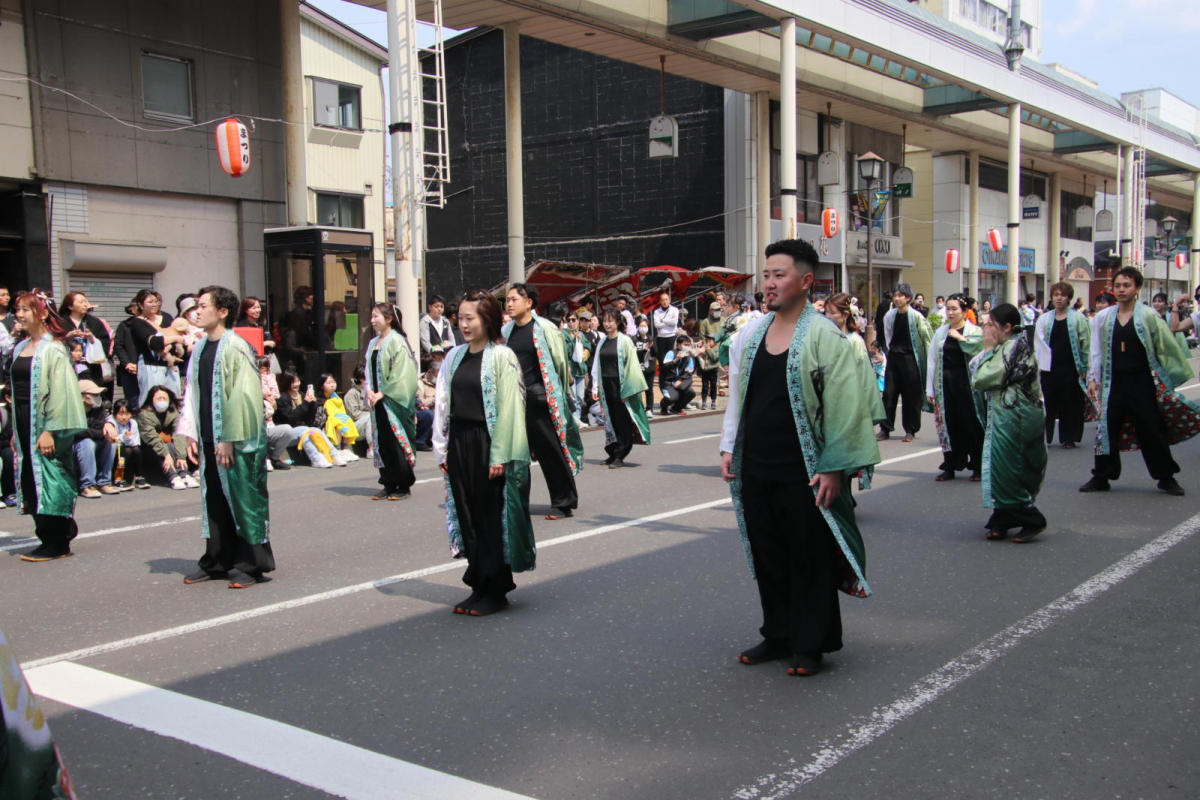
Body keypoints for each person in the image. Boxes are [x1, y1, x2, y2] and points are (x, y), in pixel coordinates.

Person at [720, 240, 880, 677]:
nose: (769, 283)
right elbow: (738, 397)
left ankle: (811, 644)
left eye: (779, 275)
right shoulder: (751, 334)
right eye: (766, 274)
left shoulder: (826, 337)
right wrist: (729, 446)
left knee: (808, 555)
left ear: (806, 281)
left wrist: (833, 467)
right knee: (768, 552)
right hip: (758, 464)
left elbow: (846, 408)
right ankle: (779, 634)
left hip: (806, 469)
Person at [433, 290, 534, 616]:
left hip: (488, 443)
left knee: (492, 518)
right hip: (460, 441)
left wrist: (500, 454)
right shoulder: (455, 356)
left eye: (470, 317)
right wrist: (442, 449)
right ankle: (478, 584)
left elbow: (510, 409)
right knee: (468, 515)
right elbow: (442, 404)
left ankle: (496, 589)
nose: (463, 323)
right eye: (460, 317)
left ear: (486, 319)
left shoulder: (501, 356)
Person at [179, 286, 274, 588]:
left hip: (235, 439)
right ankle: (216, 561)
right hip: (209, 436)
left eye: (204, 305)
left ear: (222, 311)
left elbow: (243, 396)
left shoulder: (235, 346)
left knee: (244, 498)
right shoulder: (200, 348)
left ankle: (252, 565)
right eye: (197, 305)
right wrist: (192, 432)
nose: (197, 310)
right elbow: (193, 392)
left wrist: (228, 438)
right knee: (215, 499)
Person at [1081, 268, 1200, 496]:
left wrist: (1165, 379)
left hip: (1142, 382)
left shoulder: (1148, 315)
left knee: (1152, 429)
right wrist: (1093, 378)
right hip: (1113, 383)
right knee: (1106, 429)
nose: (1121, 290)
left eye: (1127, 285)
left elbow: (1165, 347)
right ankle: (1102, 476)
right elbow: (1095, 350)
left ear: (1137, 288)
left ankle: (1166, 477)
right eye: (1118, 286)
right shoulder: (1104, 317)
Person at [9, 290, 89, 562]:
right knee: (30, 478)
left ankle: (59, 539)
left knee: (51, 475)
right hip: (23, 418)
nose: (19, 315)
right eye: (17, 309)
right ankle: (46, 535)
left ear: (42, 313)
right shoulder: (21, 347)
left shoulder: (53, 348)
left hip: (45, 421)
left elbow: (62, 393)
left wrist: (49, 429)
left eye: (25, 310)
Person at [504, 283, 584, 520]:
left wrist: (556, 398)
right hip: (514, 402)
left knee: (550, 452)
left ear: (529, 303)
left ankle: (563, 502)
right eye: (506, 300)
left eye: (513, 299)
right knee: (514, 454)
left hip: (539, 399)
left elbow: (560, 365)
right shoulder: (506, 331)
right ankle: (516, 501)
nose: (508, 304)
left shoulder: (546, 329)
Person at [969, 303, 1047, 542]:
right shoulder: (1006, 346)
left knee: (1009, 469)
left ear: (1007, 327)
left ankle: (1032, 518)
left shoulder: (1015, 348)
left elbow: (982, 378)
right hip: (1005, 418)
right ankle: (1001, 518)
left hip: (1018, 419)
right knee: (998, 468)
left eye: (990, 324)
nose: (986, 329)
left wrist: (990, 349)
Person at [825, 292, 887, 492]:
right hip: (829, 402)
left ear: (845, 315)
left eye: (831, 312)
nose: (827, 316)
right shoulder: (827, 337)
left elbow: (862, 378)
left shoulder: (854, 341)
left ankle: (844, 496)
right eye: (825, 312)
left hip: (848, 403)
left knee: (846, 454)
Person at [926, 295, 985, 481]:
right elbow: (932, 360)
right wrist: (930, 389)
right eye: (948, 309)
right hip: (946, 384)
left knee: (972, 424)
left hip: (968, 386)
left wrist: (961, 338)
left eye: (954, 309)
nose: (950, 313)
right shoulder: (941, 332)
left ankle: (977, 466)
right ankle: (950, 465)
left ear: (964, 310)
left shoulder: (974, 331)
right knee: (948, 425)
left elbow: (981, 352)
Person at [364, 302, 419, 500]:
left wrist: (383, 392)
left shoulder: (397, 341)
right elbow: (368, 370)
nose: (372, 320)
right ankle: (388, 482)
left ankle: (403, 485)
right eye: (371, 316)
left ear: (389, 319)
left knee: (396, 441)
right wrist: (369, 389)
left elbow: (404, 374)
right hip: (377, 401)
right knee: (383, 441)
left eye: (376, 316)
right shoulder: (373, 343)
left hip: (393, 400)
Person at [1034, 282, 1094, 449]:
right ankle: (1046, 436)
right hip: (1049, 368)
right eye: (1056, 295)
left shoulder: (1078, 318)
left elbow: (1086, 344)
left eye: (1062, 295)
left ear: (1069, 298)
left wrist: (1084, 368)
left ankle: (1069, 437)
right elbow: (1038, 344)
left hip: (1071, 367)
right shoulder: (1044, 319)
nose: (1059, 298)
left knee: (1070, 402)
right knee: (1048, 402)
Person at [590, 309, 651, 468]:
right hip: (606, 385)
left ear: (618, 322)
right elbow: (597, 363)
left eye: (610, 320)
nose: (607, 324)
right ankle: (613, 452)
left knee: (623, 419)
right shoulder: (602, 341)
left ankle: (621, 454)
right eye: (605, 321)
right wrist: (595, 386)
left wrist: (628, 390)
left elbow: (632, 366)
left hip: (621, 385)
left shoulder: (624, 340)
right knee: (610, 420)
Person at [879, 283, 932, 442]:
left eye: (900, 295)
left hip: (911, 358)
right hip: (894, 357)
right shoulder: (889, 315)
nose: (896, 298)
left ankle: (911, 429)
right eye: (895, 295)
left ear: (908, 298)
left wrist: (929, 360)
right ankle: (885, 428)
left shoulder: (916, 316)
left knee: (911, 396)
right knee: (888, 394)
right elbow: (887, 335)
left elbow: (926, 338)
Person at [129, 289, 184, 405]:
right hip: (151, 365)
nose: (155, 304)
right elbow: (153, 342)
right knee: (151, 399)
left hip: (171, 365)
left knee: (174, 399)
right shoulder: (137, 323)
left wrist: (170, 344)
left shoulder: (167, 317)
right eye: (150, 302)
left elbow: (179, 333)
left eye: (156, 301)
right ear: (140, 305)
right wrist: (174, 339)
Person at [138, 386, 196, 489]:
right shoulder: (144, 414)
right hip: (150, 449)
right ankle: (173, 477)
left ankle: (184, 474)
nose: (162, 401)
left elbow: (179, 434)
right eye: (159, 398)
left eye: (165, 398)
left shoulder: (173, 412)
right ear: (151, 399)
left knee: (171, 445)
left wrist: (181, 456)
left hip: (169, 446)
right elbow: (152, 439)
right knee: (167, 447)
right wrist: (166, 455)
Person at [73, 379, 119, 497]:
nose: (97, 397)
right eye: (93, 395)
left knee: (111, 442)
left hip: (95, 438)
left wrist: (109, 425)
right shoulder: (72, 409)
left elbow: (106, 421)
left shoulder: (98, 408)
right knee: (87, 443)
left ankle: (104, 482)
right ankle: (87, 485)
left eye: (97, 394)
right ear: (82, 396)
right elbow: (78, 431)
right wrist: (102, 433)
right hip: (75, 444)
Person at [59, 291, 112, 388]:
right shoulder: (60, 322)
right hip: (67, 367)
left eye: (85, 301)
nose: (85, 304)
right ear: (70, 306)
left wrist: (92, 339)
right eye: (81, 302)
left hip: (92, 369)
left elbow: (106, 343)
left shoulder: (95, 322)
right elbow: (52, 343)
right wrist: (67, 337)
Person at [316, 372, 359, 461]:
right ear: (321, 386)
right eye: (329, 383)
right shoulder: (318, 400)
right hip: (325, 424)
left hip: (337, 419)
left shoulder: (337, 398)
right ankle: (337, 449)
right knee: (338, 424)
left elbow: (341, 411)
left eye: (333, 382)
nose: (332, 385)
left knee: (347, 420)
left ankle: (345, 449)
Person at [109, 397, 148, 489]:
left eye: (127, 413)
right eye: (121, 413)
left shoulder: (133, 423)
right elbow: (115, 440)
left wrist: (127, 438)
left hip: (128, 447)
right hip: (116, 450)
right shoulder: (112, 422)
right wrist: (125, 437)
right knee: (127, 451)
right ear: (115, 414)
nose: (124, 417)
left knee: (136, 450)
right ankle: (118, 479)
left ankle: (139, 477)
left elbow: (134, 442)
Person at [112, 300, 143, 404]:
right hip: (129, 370)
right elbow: (118, 345)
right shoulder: (125, 325)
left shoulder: (152, 324)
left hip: (148, 368)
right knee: (132, 402)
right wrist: (127, 363)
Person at [562, 309, 589, 425]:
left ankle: (577, 417)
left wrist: (584, 346)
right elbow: (565, 351)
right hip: (571, 370)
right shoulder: (564, 334)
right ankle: (574, 419)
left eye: (573, 320)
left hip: (581, 370)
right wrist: (574, 340)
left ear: (577, 321)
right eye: (569, 320)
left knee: (580, 397)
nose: (571, 322)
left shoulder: (581, 334)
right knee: (572, 397)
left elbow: (588, 346)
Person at [658, 335, 697, 416]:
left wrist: (680, 380)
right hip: (667, 382)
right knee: (671, 398)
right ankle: (663, 405)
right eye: (685, 344)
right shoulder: (671, 353)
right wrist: (676, 359)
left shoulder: (689, 356)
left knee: (691, 393)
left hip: (679, 381)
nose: (686, 347)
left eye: (688, 345)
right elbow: (664, 367)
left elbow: (689, 371)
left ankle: (676, 408)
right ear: (678, 345)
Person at [344, 363, 373, 454]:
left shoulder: (371, 390)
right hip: (355, 425)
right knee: (370, 417)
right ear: (361, 379)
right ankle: (371, 449)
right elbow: (354, 414)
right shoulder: (351, 393)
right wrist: (371, 413)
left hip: (367, 422)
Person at [414, 351, 440, 451]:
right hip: (427, 411)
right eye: (436, 375)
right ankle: (420, 441)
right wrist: (435, 397)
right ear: (430, 372)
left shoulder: (442, 382)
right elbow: (421, 402)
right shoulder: (420, 383)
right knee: (427, 414)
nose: (438, 378)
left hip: (440, 411)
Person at [419, 294, 454, 360]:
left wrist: (452, 351)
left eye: (441, 306)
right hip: (431, 359)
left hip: (446, 357)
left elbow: (451, 338)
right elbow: (425, 342)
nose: (439, 309)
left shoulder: (446, 321)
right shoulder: (425, 322)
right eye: (436, 306)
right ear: (430, 307)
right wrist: (436, 353)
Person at [633, 316, 656, 416]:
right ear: (638, 327)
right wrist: (644, 350)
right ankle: (640, 408)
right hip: (638, 368)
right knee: (638, 390)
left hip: (649, 367)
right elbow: (634, 354)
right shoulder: (634, 339)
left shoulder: (651, 338)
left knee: (649, 389)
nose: (643, 327)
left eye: (645, 325)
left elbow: (655, 353)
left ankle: (649, 409)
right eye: (641, 325)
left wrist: (653, 346)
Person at [651, 290, 681, 366]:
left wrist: (663, 320)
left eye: (666, 299)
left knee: (671, 357)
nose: (664, 301)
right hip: (661, 337)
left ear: (669, 300)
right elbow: (656, 324)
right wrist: (668, 322)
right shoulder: (657, 312)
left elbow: (674, 322)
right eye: (663, 300)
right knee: (661, 358)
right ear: (660, 301)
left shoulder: (674, 310)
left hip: (671, 336)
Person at [699, 333, 720, 410]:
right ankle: (704, 401)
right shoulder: (705, 347)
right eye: (708, 339)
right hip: (705, 369)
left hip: (713, 369)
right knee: (704, 386)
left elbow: (714, 357)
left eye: (710, 340)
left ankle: (713, 401)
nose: (708, 341)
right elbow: (700, 356)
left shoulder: (717, 348)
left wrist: (709, 349)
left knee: (713, 386)